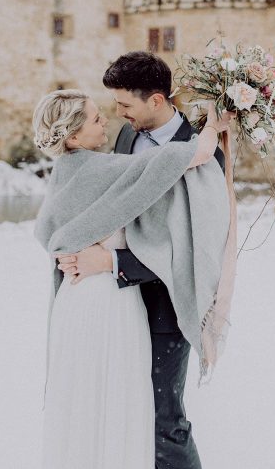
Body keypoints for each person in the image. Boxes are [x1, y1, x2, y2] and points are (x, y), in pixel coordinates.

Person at [33, 87, 233, 469]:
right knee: (124, 406)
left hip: (74, 305)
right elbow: (196, 154)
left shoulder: (65, 174)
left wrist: (97, 256)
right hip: (109, 305)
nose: (106, 118)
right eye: (95, 118)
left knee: (84, 405)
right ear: (73, 137)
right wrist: (216, 122)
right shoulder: (104, 168)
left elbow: (52, 237)